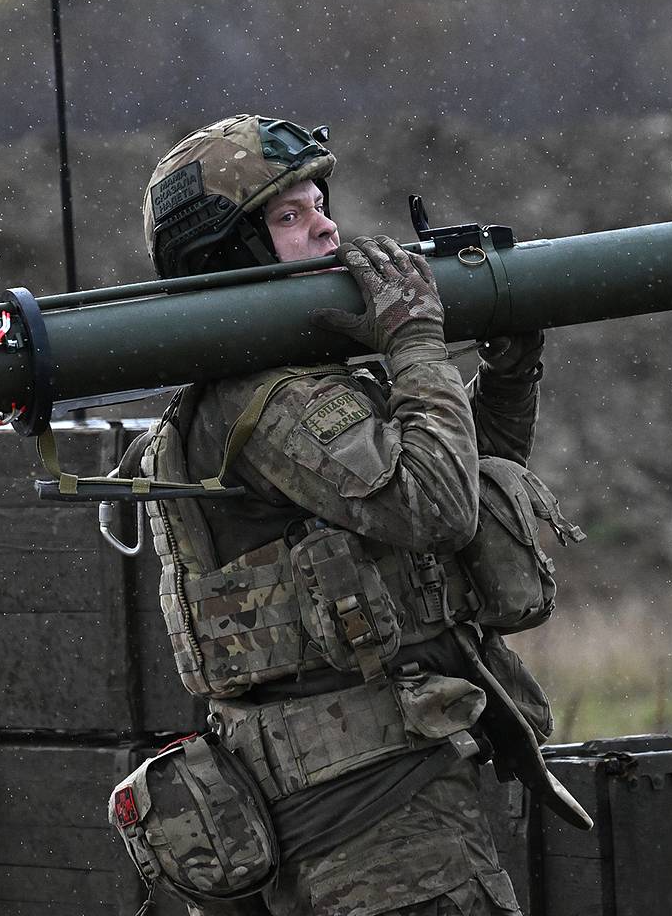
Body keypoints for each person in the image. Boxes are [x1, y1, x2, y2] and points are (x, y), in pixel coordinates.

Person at [127, 114, 557, 916]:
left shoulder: (288, 384)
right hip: (375, 820)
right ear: (232, 254)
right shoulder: (270, 403)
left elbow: (453, 484)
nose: (327, 223)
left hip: (374, 784)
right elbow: (433, 506)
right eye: (290, 216)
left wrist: (507, 377)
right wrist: (416, 340)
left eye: (319, 202)